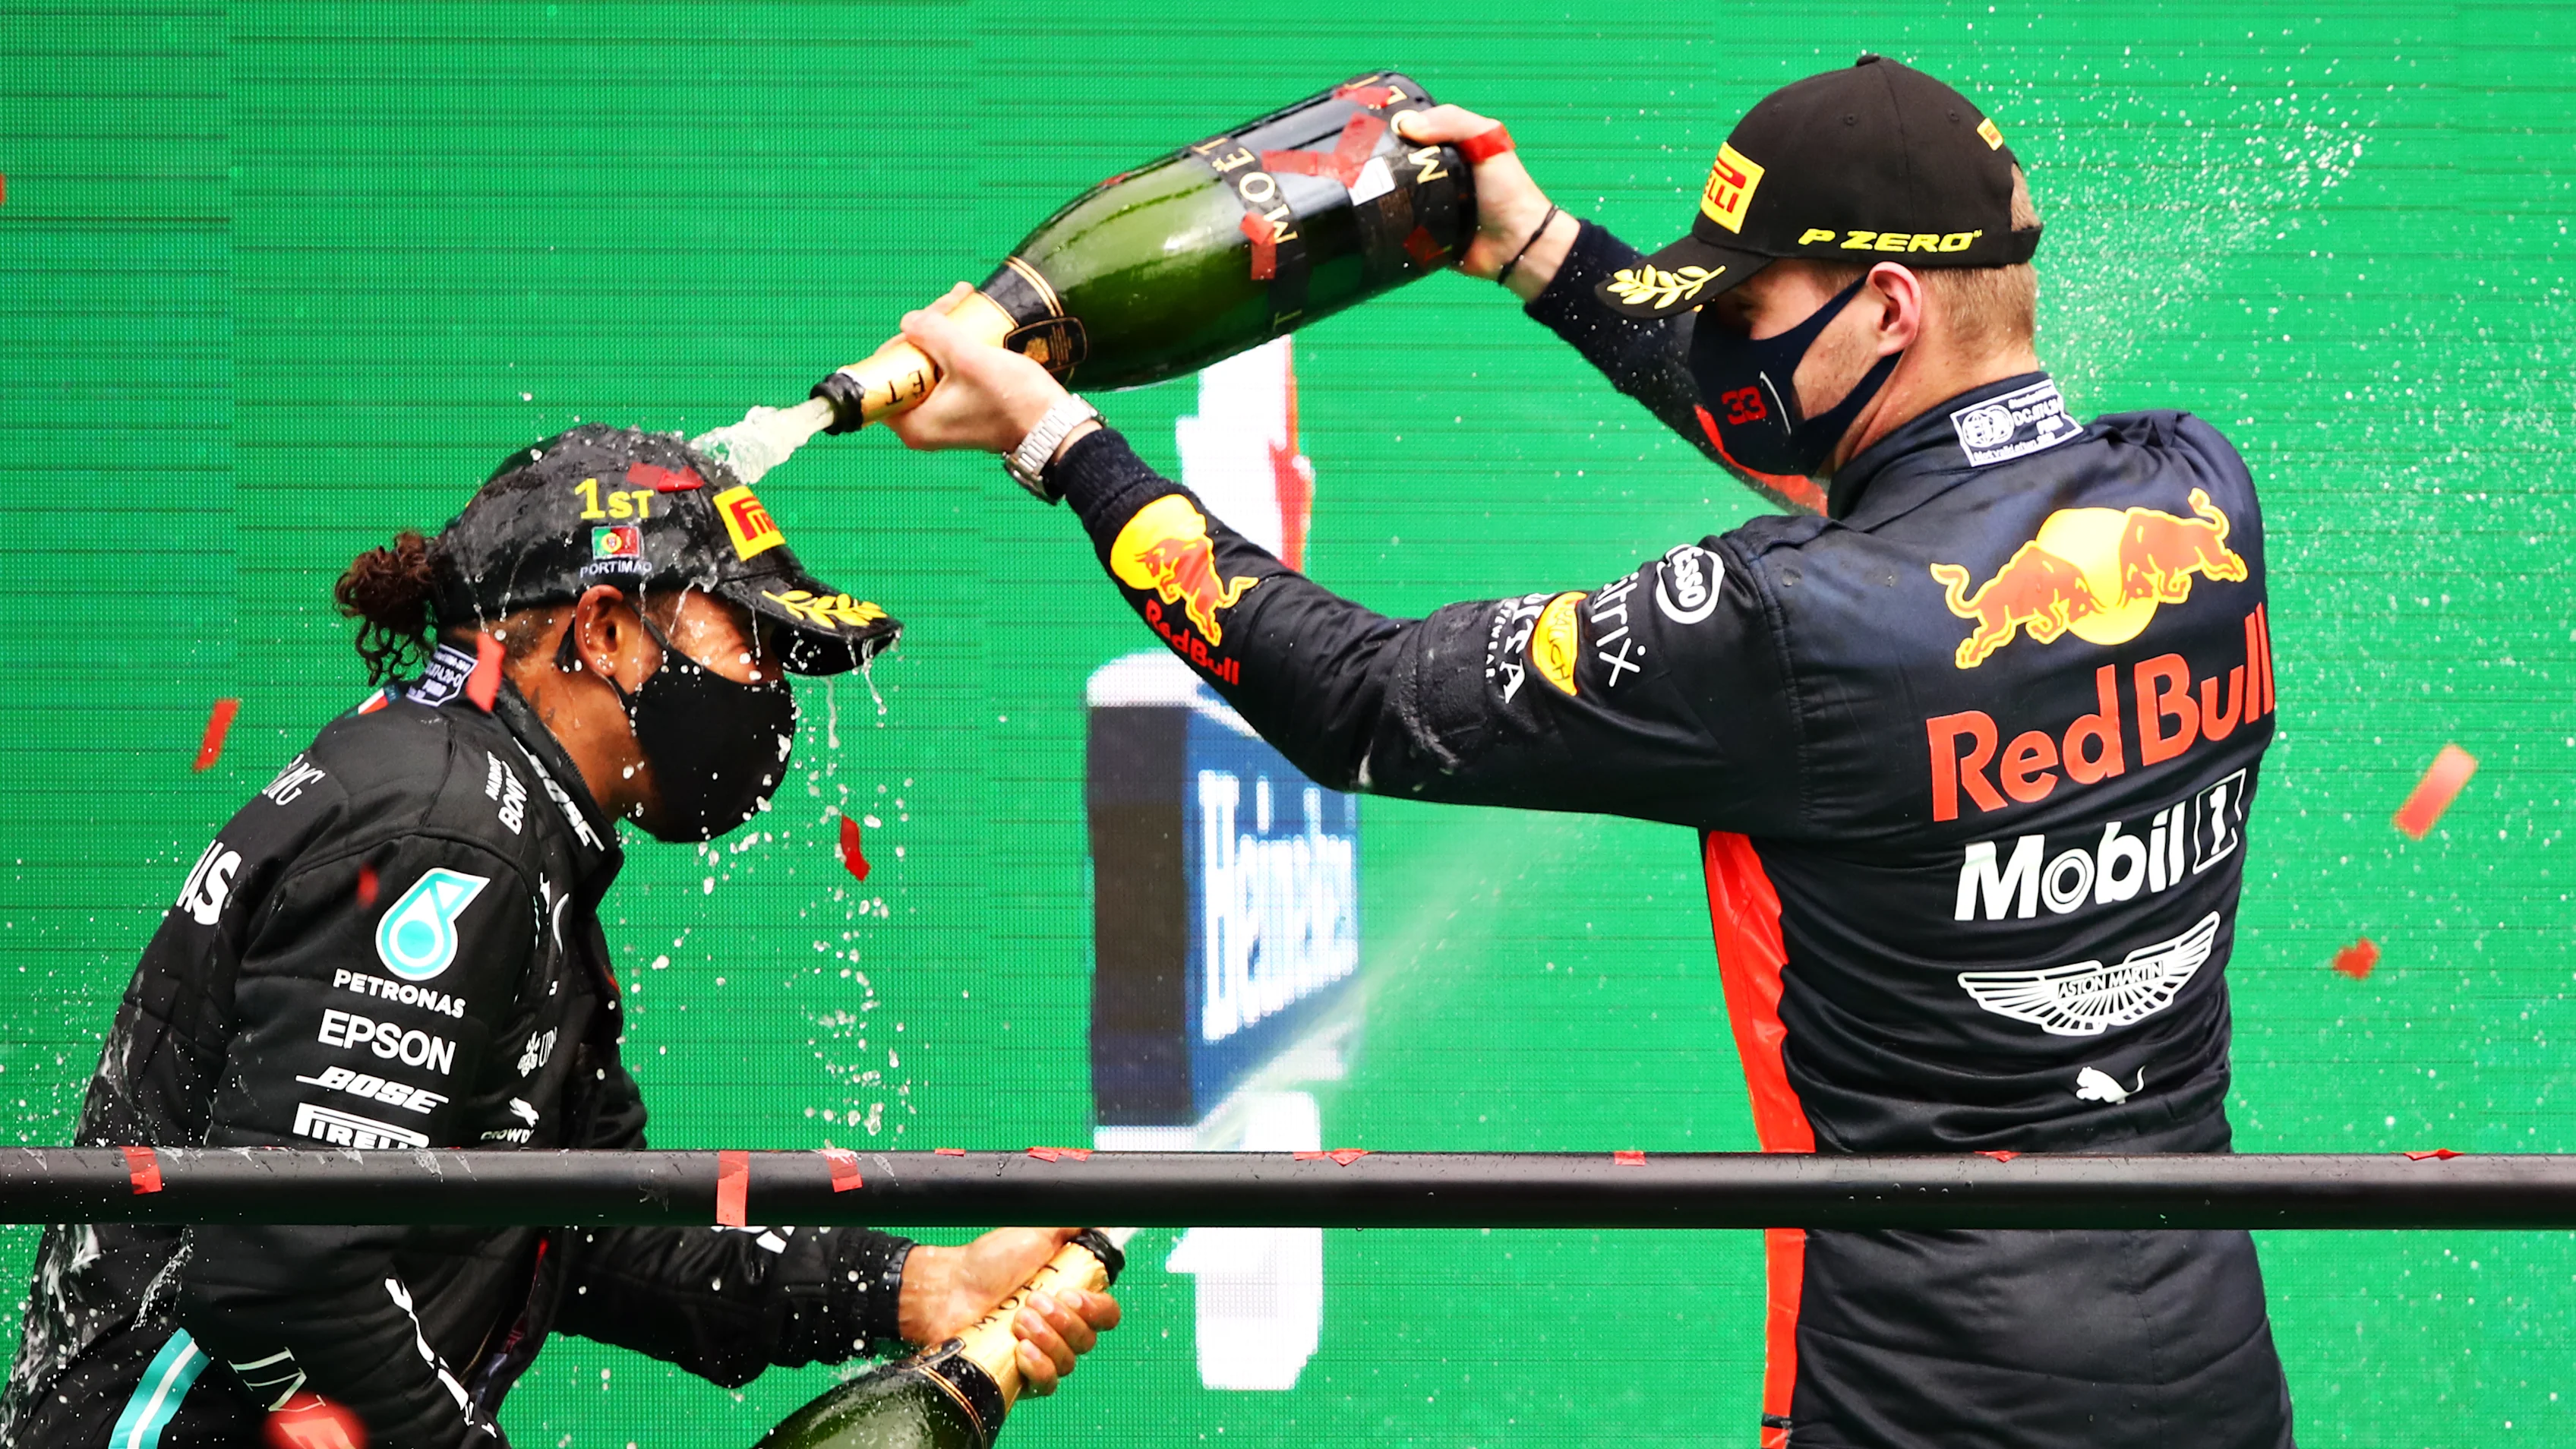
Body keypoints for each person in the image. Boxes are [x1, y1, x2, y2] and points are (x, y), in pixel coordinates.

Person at [884, 54, 2290, 1449]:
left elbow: (1364, 701)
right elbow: (1898, 479)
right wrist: (1530, 247)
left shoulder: (1789, 625)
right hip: (2216, 1375)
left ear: (1888, 306)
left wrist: (1060, 440)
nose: (1729, 340)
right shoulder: (2199, 499)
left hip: (1918, 1401)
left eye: (1751, 306)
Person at [1, 425, 1119, 1448]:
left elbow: (592, 1225)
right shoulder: (453, 831)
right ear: (607, 627)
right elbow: (283, 1259)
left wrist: (916, 1288)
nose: (769, 686)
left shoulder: (491, 813)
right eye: (747, 637)